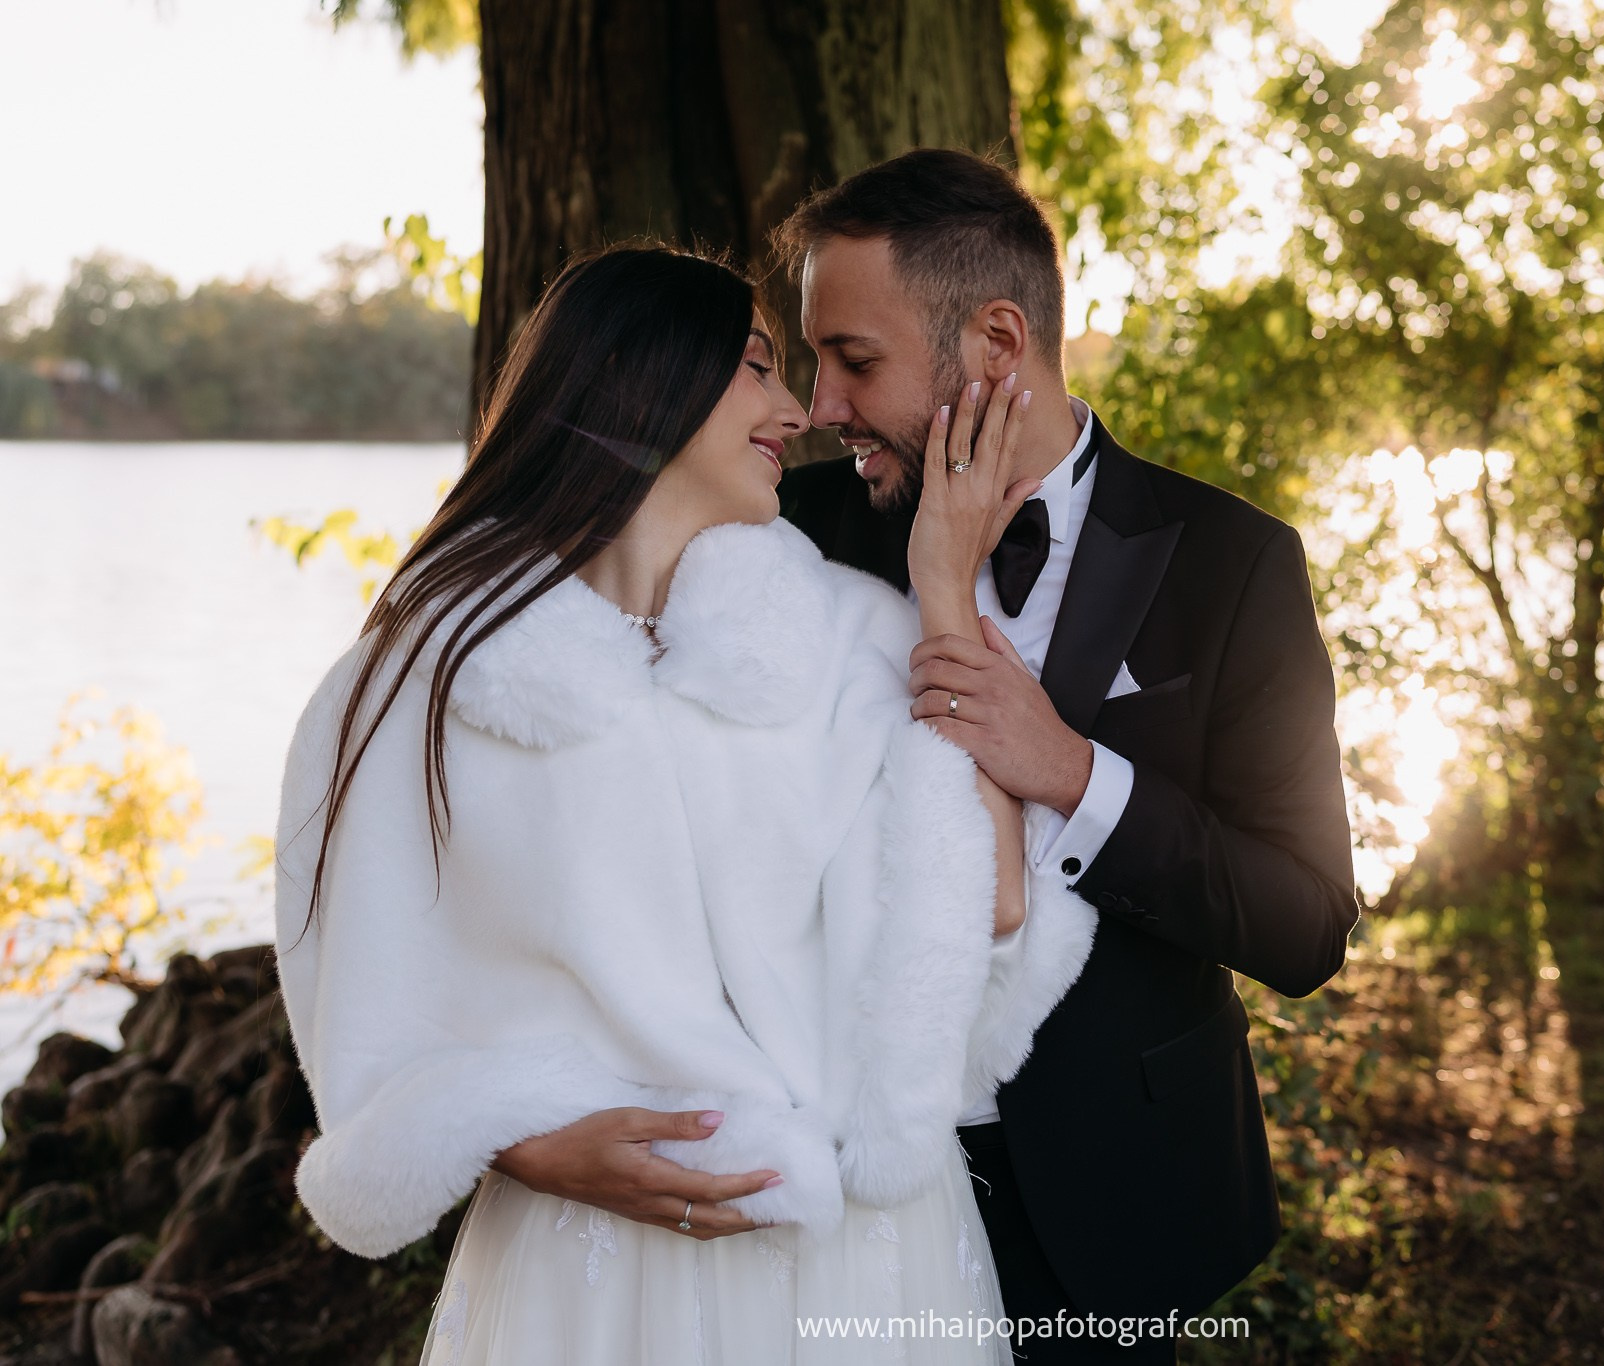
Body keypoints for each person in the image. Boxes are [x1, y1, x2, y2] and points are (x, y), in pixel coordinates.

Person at [272, 245, 1096, 1363]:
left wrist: (943, 594)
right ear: (643, 380)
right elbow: (367, 1006)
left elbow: (988, 905)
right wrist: (519, 1138)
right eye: (756, 365)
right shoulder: (424, 678)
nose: (798, 409)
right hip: (588, 1264)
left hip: (855, 1255)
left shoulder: (851, 634)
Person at [774, 150, 1359, 1361]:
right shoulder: (795, 535)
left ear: (996, 342)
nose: (818, 406)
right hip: (845, 1186)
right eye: (813, 359)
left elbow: (1302, 925)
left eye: (854, 359)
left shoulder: (1230, 565)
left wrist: (1076, 774)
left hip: (1116, 1193)